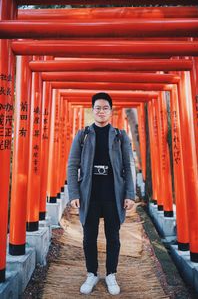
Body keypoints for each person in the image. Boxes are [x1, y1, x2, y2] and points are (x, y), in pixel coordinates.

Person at [67, 92, 136, 295]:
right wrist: (73, 194)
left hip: (113, 193)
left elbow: (128, 164)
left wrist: (130, 194)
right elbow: (72, 166)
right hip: (90, 193)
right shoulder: (83, 135)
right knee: (89, 237)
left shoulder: (120, 136)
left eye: (105, 108)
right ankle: (91, 273)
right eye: (97, 107)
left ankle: (111, 274)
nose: (101, 111)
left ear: (111, 111)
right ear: (93, 110)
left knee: (113, 236)